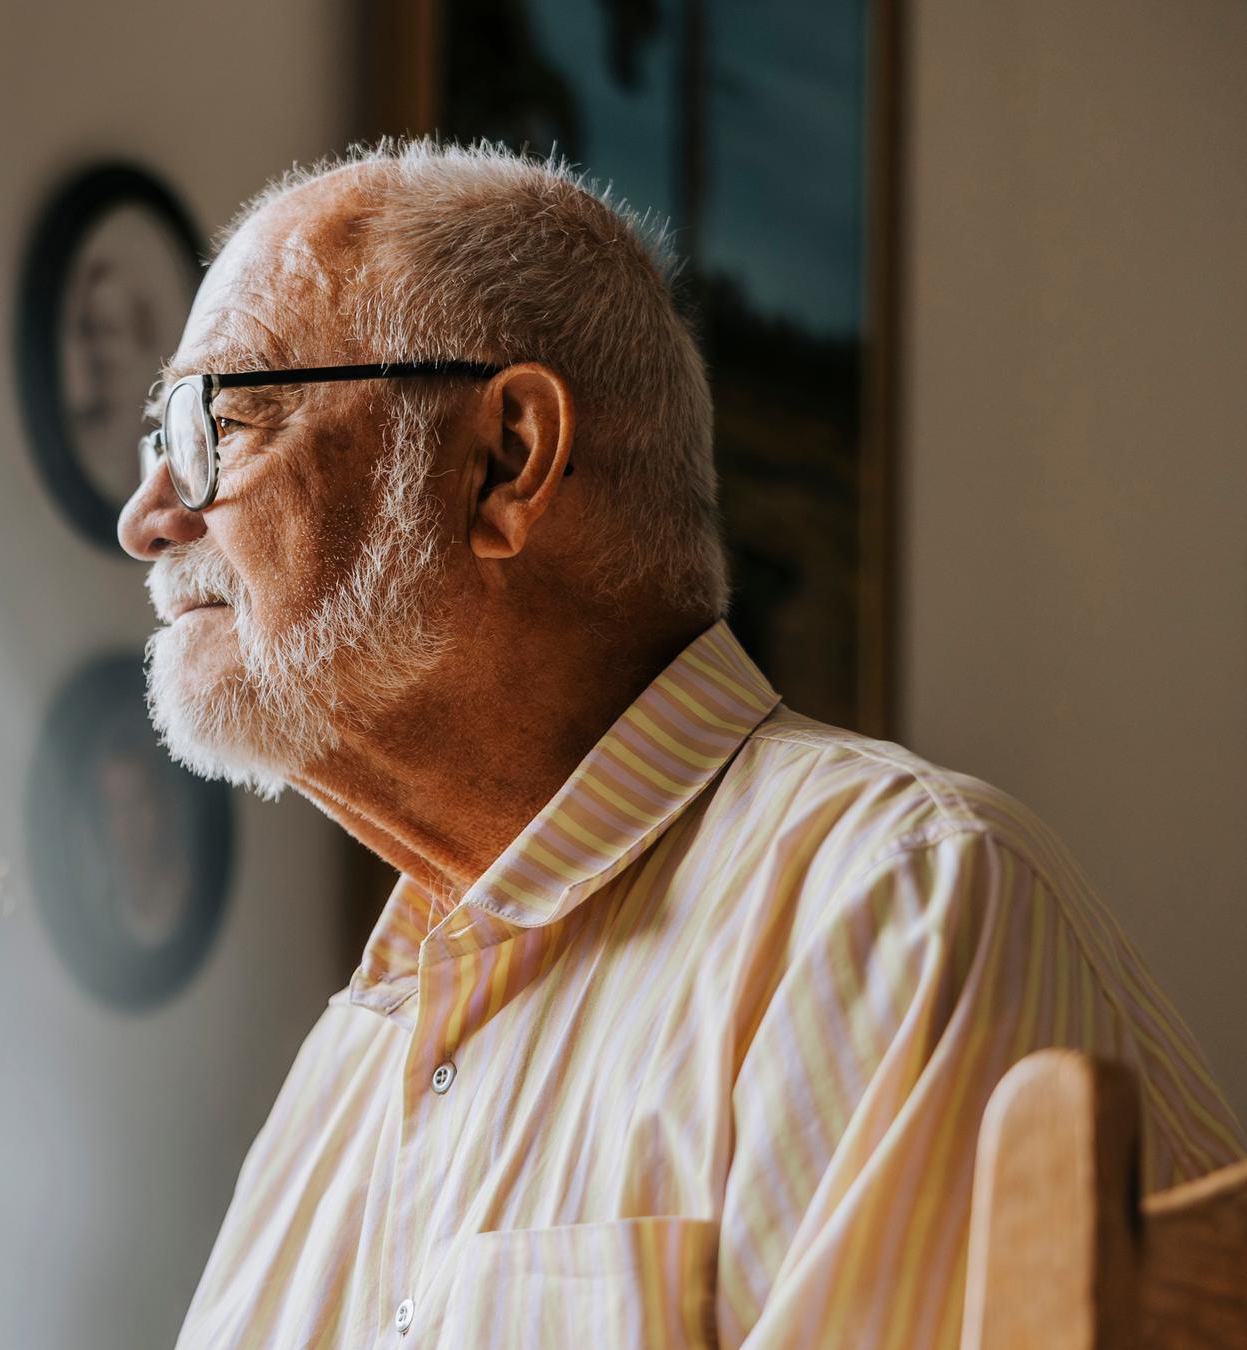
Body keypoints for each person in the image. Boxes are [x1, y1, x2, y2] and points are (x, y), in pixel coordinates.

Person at [117, 140, 1241, 1349]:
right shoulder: (353, 1057)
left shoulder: (892, 903)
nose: (147, 519)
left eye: (219, 422)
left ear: (503, 461)